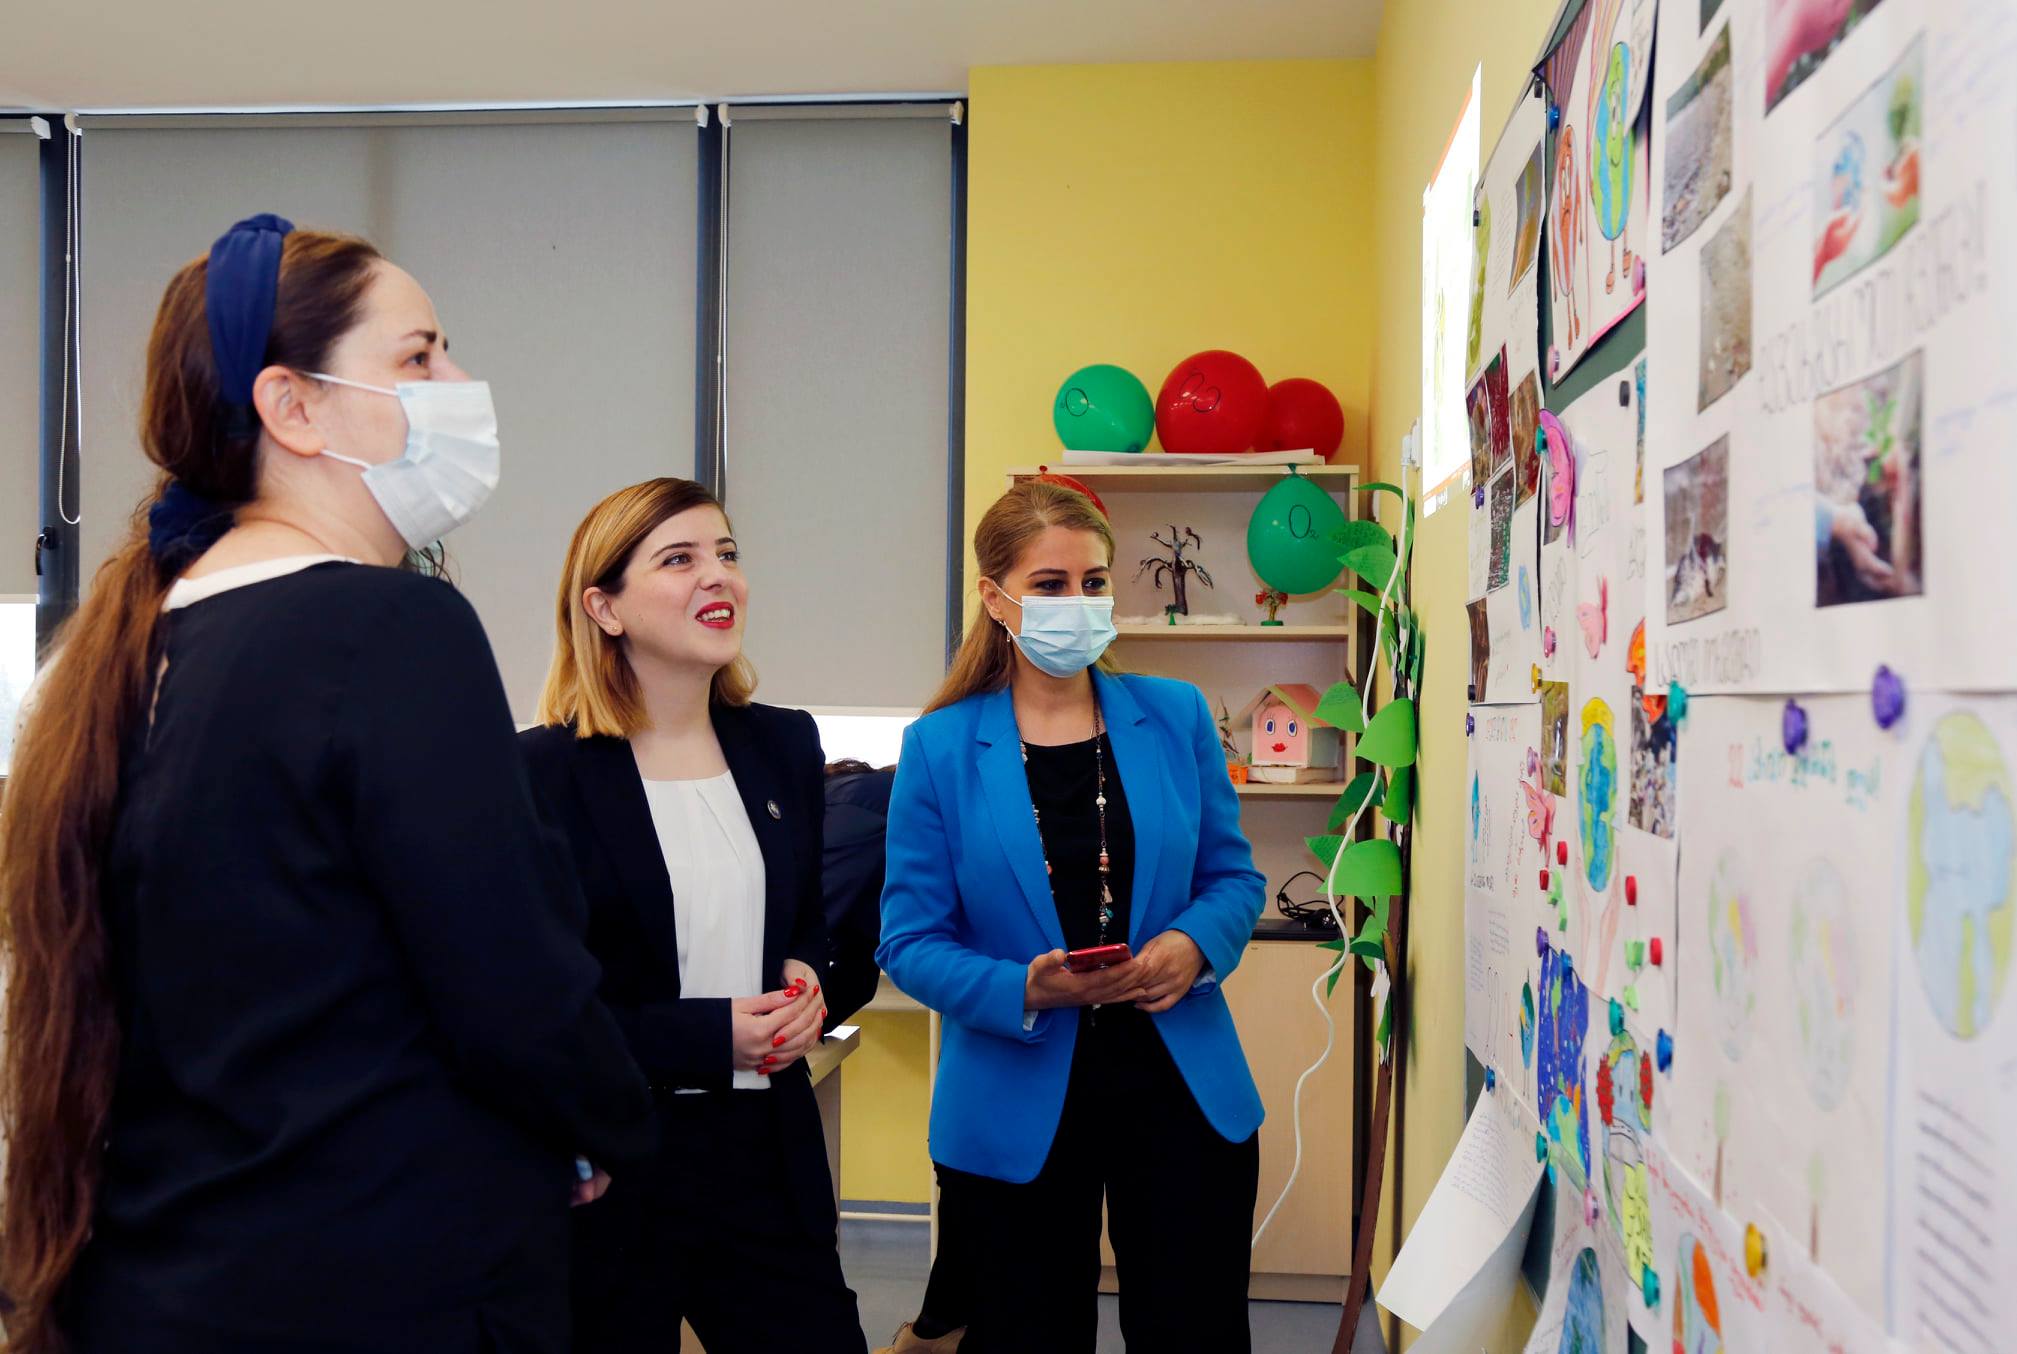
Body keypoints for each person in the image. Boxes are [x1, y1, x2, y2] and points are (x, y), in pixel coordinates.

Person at [0, 216, 655, 1354]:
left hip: (168, 1276)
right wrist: (605, 1119)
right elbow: (509, 979)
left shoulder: (133, 650)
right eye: (419, 355)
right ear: (292, 408)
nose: (459, 382)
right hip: (378, 1279)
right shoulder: (388, 627)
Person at [877, 480, 1267, 1353]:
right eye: (1049, 584)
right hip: (1013, 1101)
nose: (1077, 603)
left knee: (1195, 1333)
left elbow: (1233, 878)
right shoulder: (939, 747)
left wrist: (1193, 944)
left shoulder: (1174, 714)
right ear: (995, 598)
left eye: (1093, 582)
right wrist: (1021, 987)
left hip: (1179, 1088)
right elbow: (907, 941)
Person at [521, 477, 867, 1354]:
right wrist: (709, 1037)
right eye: (679, 559)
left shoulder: (784, 743)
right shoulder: (538, 775)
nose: (718, 576)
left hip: (765, 1155)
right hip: (614, 1161)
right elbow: (532, 1008)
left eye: (727, 554)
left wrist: (808, 976)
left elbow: (808, 922)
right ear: (604, 608)